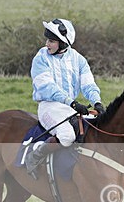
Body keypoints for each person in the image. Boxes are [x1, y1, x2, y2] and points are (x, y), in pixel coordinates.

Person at [25, 18, 106, 179]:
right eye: (47, 40)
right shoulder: (40, 58)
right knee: (67, 136)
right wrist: (73, 103)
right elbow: (48, 88)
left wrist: (97, 102)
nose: (47, 44)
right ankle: (33, 157)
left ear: (63, 43)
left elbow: (88, 85)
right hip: (49, 106)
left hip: (70, 108)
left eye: (52, 41)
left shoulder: (78, 59)